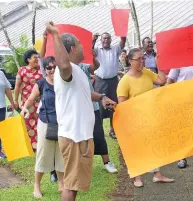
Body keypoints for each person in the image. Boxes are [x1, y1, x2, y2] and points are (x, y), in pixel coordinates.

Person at [45, 21, 115, 201]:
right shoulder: (66, 70)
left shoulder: (77, 70)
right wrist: (55, 36)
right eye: (80, 44)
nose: (83, 47)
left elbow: (84, 93)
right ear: (73, 49)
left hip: (81, 135)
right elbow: (63, 66)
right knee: (71, 185)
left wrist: (101, 97)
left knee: (74, 185)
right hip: (74, 136)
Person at [117, 48, 175, 188]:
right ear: (130, 61)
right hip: (136, 119)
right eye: (139, 59)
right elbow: (122, 105)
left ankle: (157, 174)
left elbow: (162, 80)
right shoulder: (124, 81)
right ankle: (138, 177)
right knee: (137, 148)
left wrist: (159, 63)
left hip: (151, 116)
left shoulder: (147, 73)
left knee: (155, 144)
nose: (142, 61)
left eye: (143, 58)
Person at [21, 57, 65, 198]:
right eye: (49, 68)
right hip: (46, 122)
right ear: (44, 70)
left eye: (54, 67)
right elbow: (30, 99)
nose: (52, 70)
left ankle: (62, 184)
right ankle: (37, 186)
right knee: (43, 154)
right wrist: (24, 109)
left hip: (63, 123)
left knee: (61, 154)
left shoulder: (64, 83)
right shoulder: (41, 83)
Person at [93, 31, 127, 143]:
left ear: (111, 40)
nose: (106, 40)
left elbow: (123, 41)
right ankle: (99, 131)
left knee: (114, 105)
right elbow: (90, 52)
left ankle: (113, 130)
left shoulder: (115, 49)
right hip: (100, 81)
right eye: (104, 38)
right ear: (101, 40)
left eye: (108, 38)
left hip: (113, 81)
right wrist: (93, 40)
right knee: (99, 106)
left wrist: (123, 31)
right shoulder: (97, 50)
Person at [14, 49, 43, 148]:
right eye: (35, 58)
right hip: (27, 102)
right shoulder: (22, 70)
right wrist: (15, 100)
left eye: (38, 58)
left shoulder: (42, 69)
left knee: (39, 122)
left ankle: (38, 144)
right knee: (27, 122)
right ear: (28, 59)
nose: (37, 60)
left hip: (40, 101)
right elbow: (17, 86)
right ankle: (28, 145)